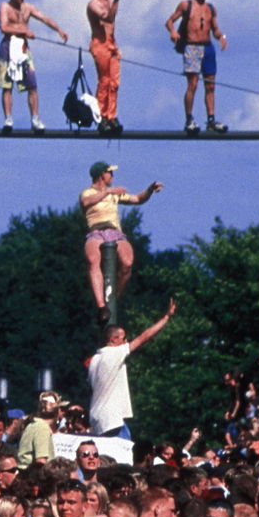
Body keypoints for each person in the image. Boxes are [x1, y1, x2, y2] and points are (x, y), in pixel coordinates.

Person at [80, 162, 163, 324]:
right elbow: (86, 202)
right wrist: (109, 191)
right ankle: (101, 305)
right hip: (96, 231)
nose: (112, 176)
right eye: (110, 173)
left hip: (115, 232)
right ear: (101, 175)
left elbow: (138, 199)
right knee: (92, 260)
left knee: (127, 263)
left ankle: (113, 300)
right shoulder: (87, 192)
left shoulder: (114, 194)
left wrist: (149, 190)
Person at [87, 298, 175, 437]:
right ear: (113, 340)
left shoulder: (95, 359)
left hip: (96, 418)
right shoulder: (114, 353)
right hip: (111, 419)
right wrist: (166, 317)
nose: (126, 341)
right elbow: (143, 337)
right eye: (123, 338)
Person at [0, 0, 67, 134]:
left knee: (32, 86)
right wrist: (23, 32)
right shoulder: (4, 6)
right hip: (8, 45)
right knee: (6, 85)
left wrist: (59, 30)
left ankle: (35, 118)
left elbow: (44, 18)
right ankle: (8, 118)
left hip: (23, 47)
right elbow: (4, 27)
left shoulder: (27, 7)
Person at [85, 0, 155, 134]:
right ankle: (101, 116)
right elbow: (108, 18)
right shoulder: (93, 5)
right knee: (104, 81)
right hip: (100, 44)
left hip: (112, 44)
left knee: (114, 83)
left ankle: (112, 115)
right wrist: (116, 1)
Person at [164, 0, 228, 135]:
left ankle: (211, 120)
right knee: (193, 84)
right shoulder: (186, 5)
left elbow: (215, 29)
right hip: (192, 47)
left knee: (210, 85)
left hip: (208, 48)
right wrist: (173, 32)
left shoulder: (211, 9)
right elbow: (169, 21)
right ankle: (189, 119)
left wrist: (221, 37)